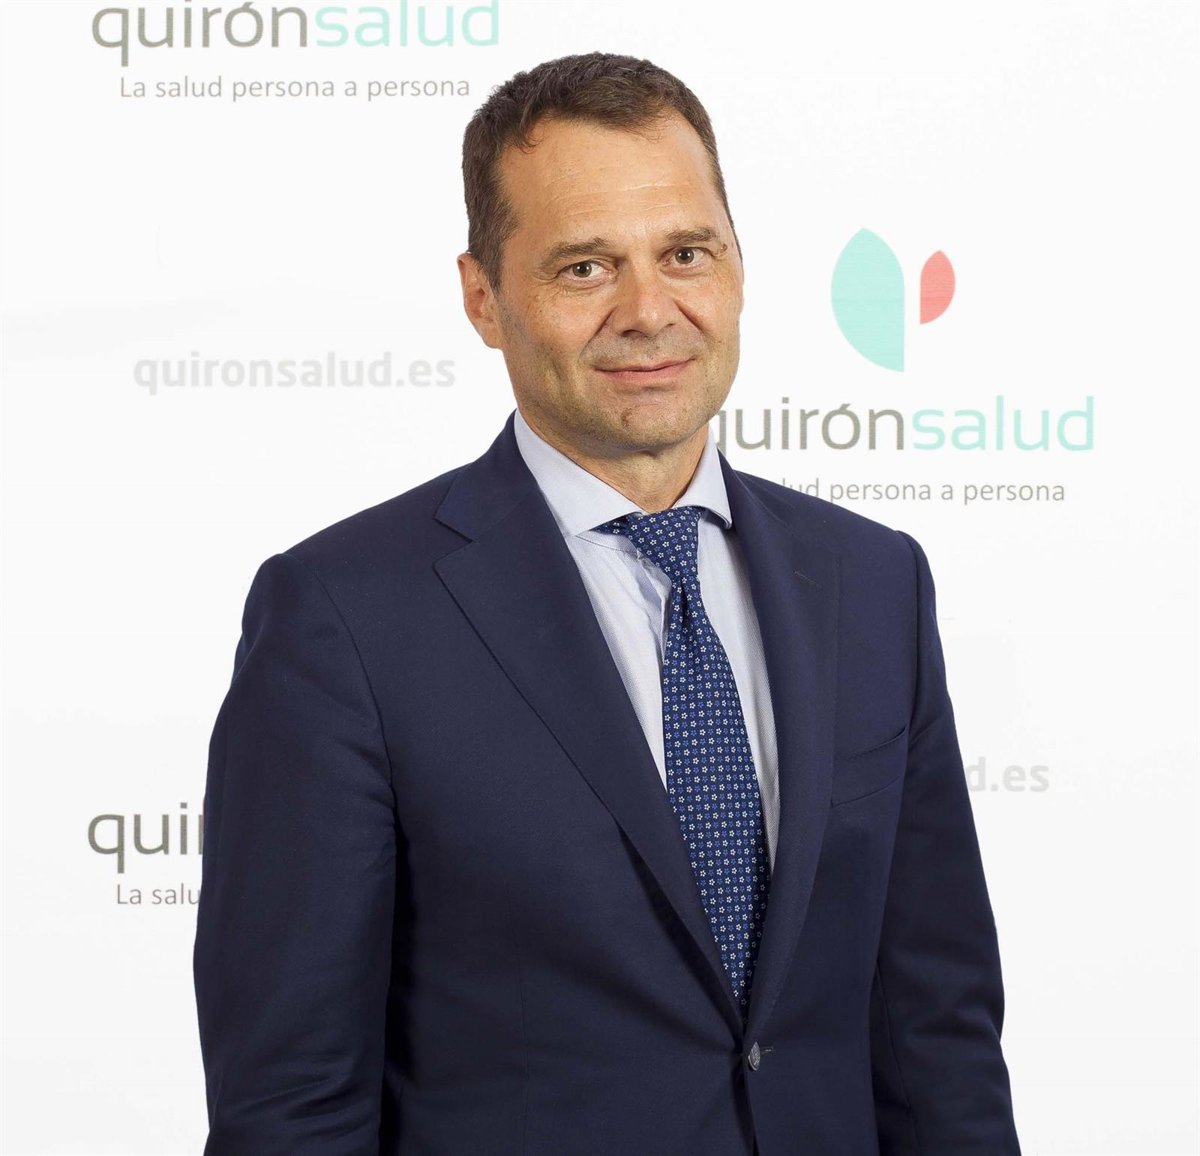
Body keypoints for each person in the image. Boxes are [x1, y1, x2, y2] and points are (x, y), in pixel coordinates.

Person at [193, 51, 1021, 1155]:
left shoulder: (872, 581)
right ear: (483, 298)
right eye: (584, 268)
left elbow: (939, 1041)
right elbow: (291, 1106)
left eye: (686, 253)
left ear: (737, 266)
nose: (648, 310)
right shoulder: (343, 620)